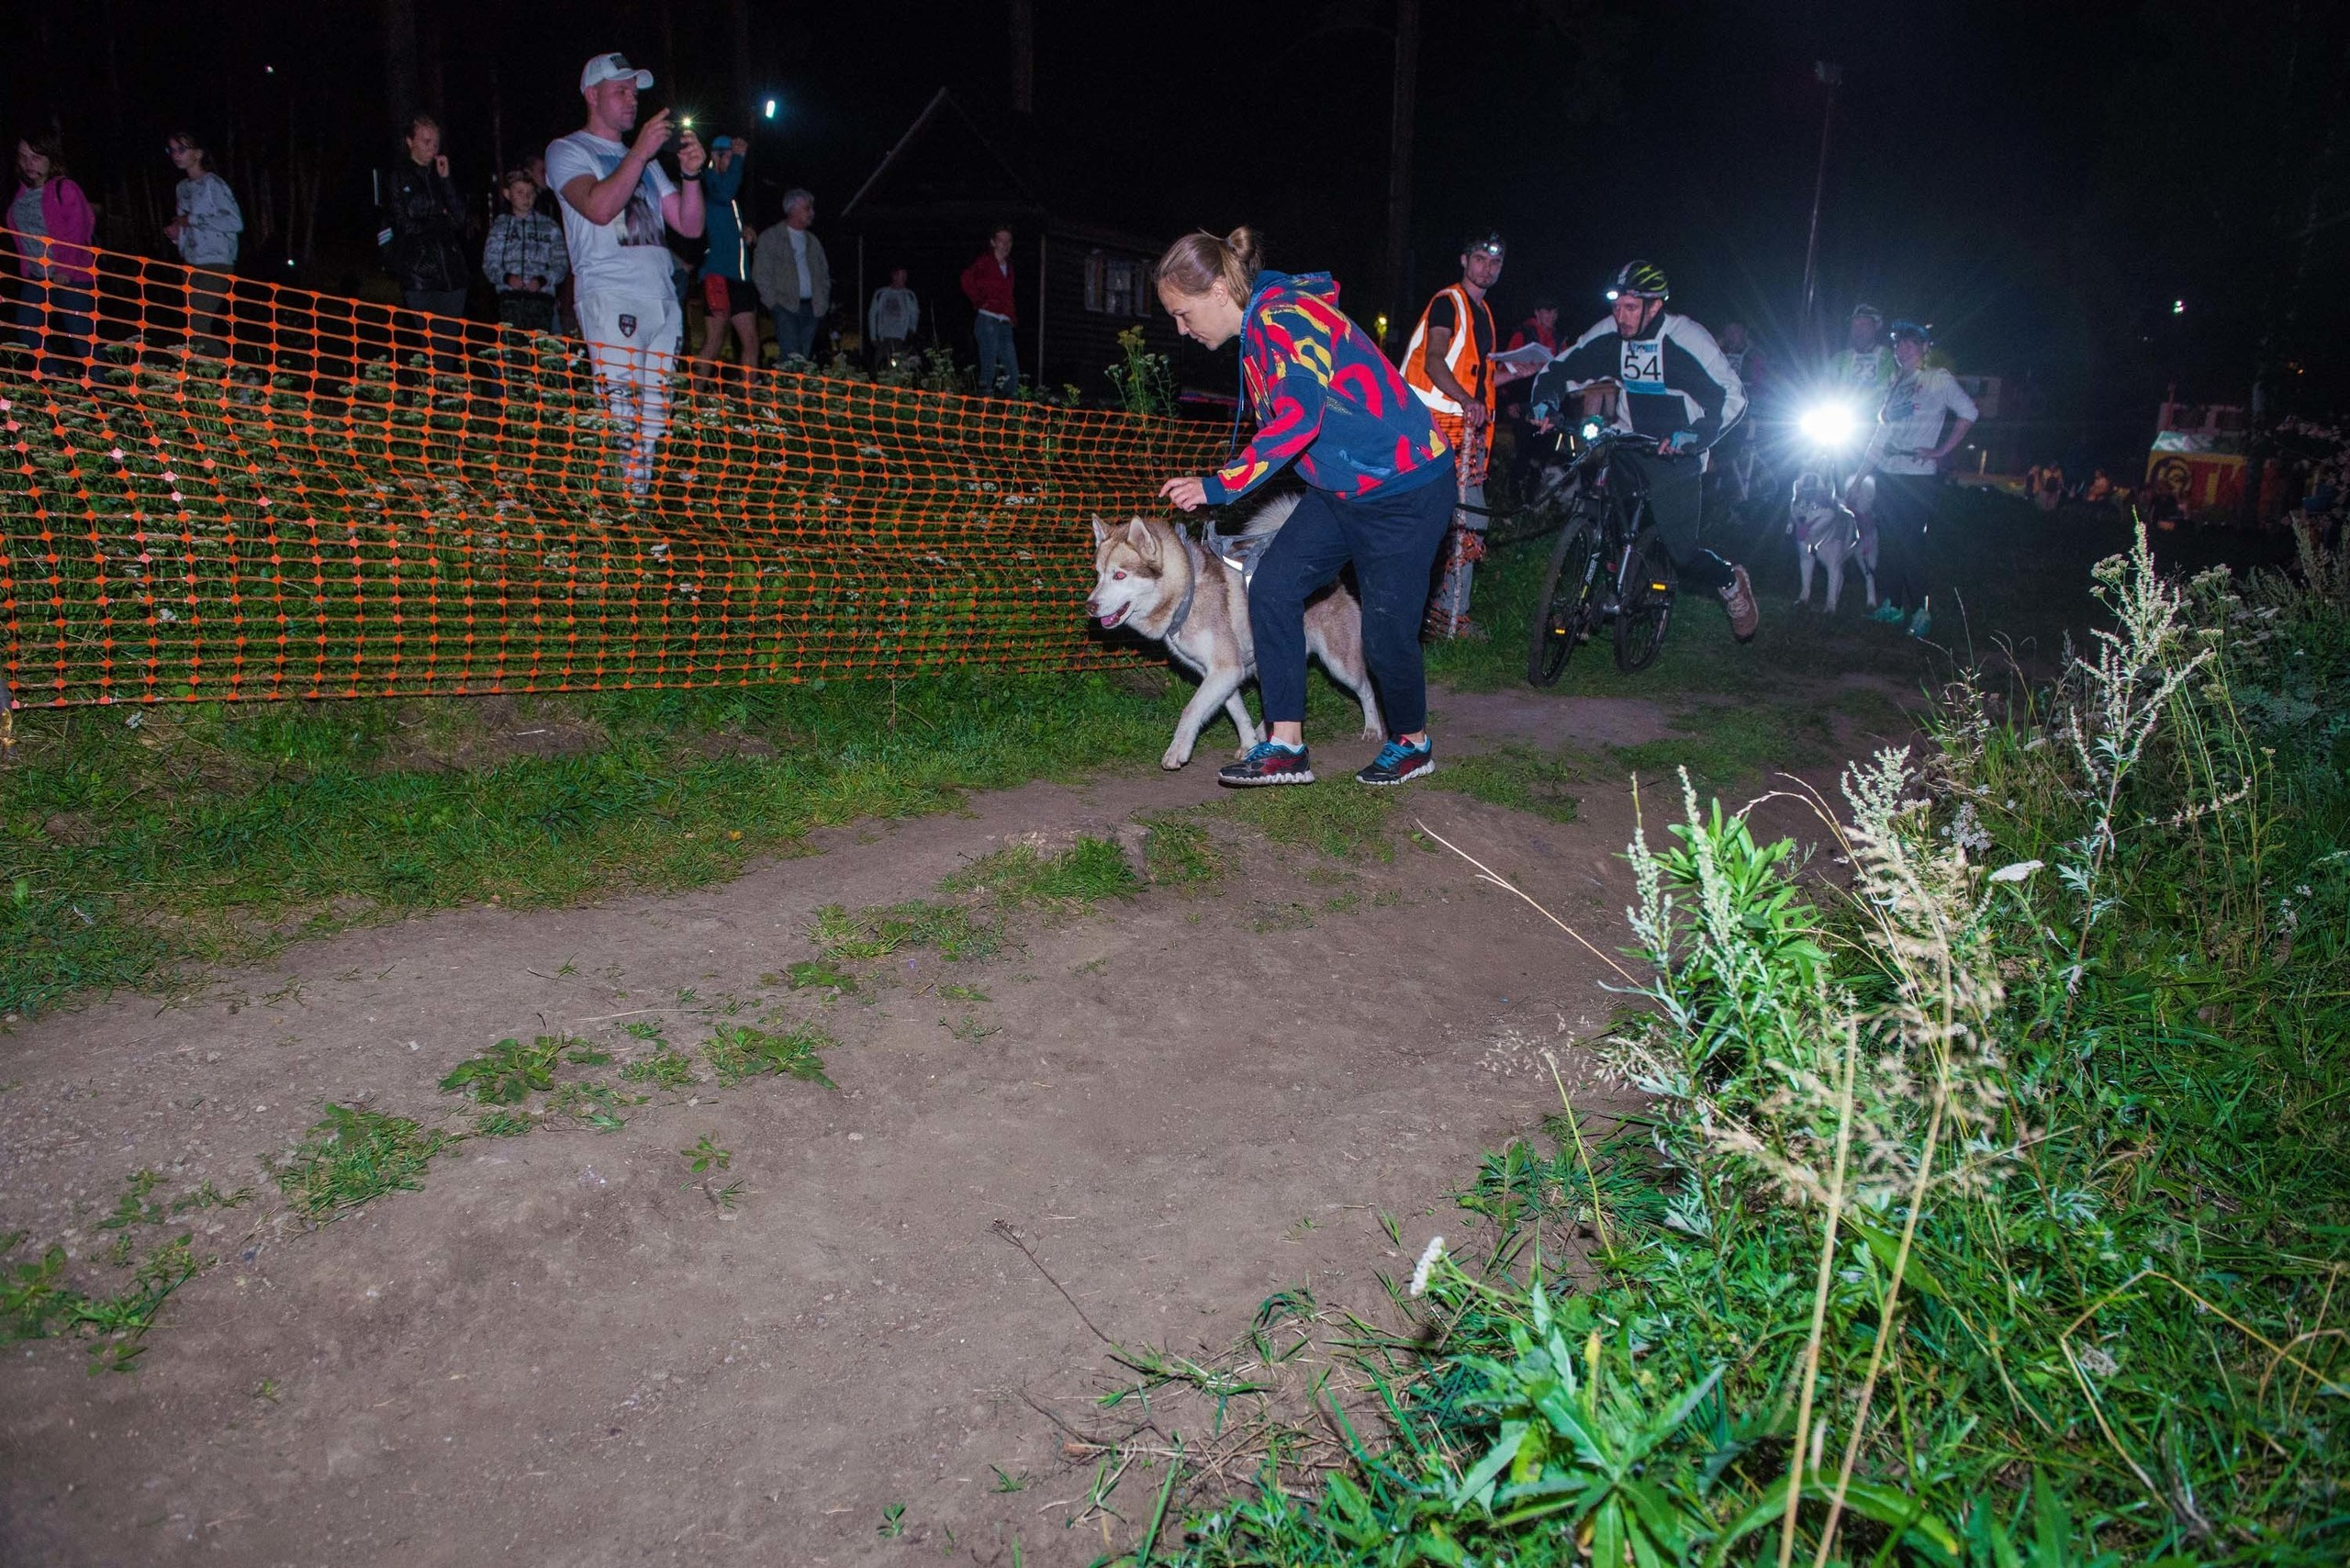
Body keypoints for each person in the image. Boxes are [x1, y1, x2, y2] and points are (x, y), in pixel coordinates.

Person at [1153, 226, 1455, 790]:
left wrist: (1219, 486)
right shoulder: (1258, 327)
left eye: (1183, 312)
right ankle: (1286, 744)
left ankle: (1412, 743)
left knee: (1386, 632)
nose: (1181, 327)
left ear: (1219, 290)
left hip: (1405, 489)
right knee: (1272, 587)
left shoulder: (1284, 319)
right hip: (1342, 489)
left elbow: (1298, 420)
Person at [1528, 260, 1758, 640]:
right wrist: (1545, 403)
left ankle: (1730, 581)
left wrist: (1694, 436)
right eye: (1617, 307)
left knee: (1681, 553)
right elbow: (1563, 367)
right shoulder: (1612, 335)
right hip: (1627, 440)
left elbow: (1732, 397)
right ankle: (1594, 593)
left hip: (1676, 454)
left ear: (1655, 307)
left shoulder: (1685, 338)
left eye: (1631, 308)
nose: (1621, 316)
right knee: (1600, 509)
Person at [545, 50, 707, 497]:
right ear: (592, 95)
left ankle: (634, 521)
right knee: (622, 418)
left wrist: (693, 175)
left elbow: (690, 226)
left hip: (662, 301)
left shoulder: (650, 162)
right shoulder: (567, 150)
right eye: (621, 91)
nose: (632, 100)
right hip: (610, 295)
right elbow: (597, 207)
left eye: (634, 92)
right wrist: (637, 152)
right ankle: (614, 524)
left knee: (654, 422)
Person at [1404, 231, 1531, 639]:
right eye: (1480, 259)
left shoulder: (1484, 314)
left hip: (1463, 439)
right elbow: (1436, 362)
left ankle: (1440, 615)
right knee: (1463, 522)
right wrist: (1466, 402)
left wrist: (1523, 371)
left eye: (1495, 263)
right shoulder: (1448, 303)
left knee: (1457, 524)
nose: (1487, 268)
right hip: (1435, 432)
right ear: (1464, 260)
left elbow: (1480, 377)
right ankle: (1448, 617)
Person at [1852, 320, 1976, 638]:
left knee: (1912, 544)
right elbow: (1879, 437)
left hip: (1918, 475)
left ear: (1924, 348)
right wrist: (1859, 478)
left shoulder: (1937, 379)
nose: (1903, 348)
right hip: (1890, 474)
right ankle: (1892, 605)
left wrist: (1941, 451)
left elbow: (1969, 413)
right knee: (1891, 543)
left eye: (1910, 343)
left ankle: (1922, 611)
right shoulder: (1893, 385)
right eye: (1898, 344)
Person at [380, 113, 474, 371]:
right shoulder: (398, 177)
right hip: (419, 273)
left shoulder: (440, 175)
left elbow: (460, 219)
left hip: (453, 273)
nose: (432, 148)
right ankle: (432, 400)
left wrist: (446, 182)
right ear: (410, 141)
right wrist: (437, 216)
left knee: (448, 347)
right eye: (426, 141)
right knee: (430, 345)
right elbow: (403, 223)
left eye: (435, 143)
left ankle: (446, 401)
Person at [4, 132, 97, 375]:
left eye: (35, 157)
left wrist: (65, 270)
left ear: (50, 159)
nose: (28, 163)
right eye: (23, 157)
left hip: (73, 277)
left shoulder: (64, 188)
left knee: (82, 340)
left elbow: (80, 228)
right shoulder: (22, 194)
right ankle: (57, 383)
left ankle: (107, 394)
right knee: (28, 333)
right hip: (37, 277)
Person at [163, 131, 241, 357]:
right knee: (193, 331)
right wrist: (177, 233)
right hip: (190, 263)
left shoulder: (213, 184)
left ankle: (240, 378)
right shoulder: (182, 187)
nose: (176, 155)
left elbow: (235, 221)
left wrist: (192, 220)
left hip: (216, 263)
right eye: (172, 150)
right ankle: (208, 382)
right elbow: (187, 224)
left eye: (182, 149)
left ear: (197, 154)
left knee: (199, 328)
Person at [693, 134, 757, 380]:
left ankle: (748, 406)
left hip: (740, 277)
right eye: (729, 156)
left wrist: (745, 232)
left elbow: (724, 224)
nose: (734, 162)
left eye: (735, 156)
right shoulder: (710, 182)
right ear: (716, 156)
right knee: (714, 341)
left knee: (751, 340)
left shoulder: (728, 193)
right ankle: (692, 400)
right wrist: (740, 159)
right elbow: (726, 190)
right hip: (717, 275)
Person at [483, 168, 567, 332]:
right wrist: (506, 278)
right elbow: (489, 263)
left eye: (530, 193)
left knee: (542, 351)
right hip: (509, 300)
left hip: (542, 300)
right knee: (514, 351)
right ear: (508, 194)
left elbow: (561, 264)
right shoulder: (500, 226)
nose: (526, 198)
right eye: (520, 192)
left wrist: (543, 280)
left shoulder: (550, 227)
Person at [753, 188, 829, 364]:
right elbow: (760, 272)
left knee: (804, 356)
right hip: (785, 307)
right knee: (791, 356)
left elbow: (823, 273)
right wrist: (772, 302)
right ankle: (789, 390)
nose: (812, 213)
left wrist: (822, 302)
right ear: (792, 209)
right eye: (807, 208)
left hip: (812, 308)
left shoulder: (813, 241)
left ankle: (798, 390)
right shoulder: (772, 237)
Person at [959, 224, 1017, 394]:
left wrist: (1011, 317)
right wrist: (978, 300)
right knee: (988, 369)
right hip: (988, 320)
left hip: (1005, 323)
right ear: (993, 242)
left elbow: (1007, 295)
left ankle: (1010, 414)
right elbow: (966, 279)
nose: (1005, 245)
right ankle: (983, 412)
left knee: (1012, 373)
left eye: (1008, 241)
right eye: (1001, 240)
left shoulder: (1009, 267)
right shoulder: (985, 262)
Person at [867, 265, 920, 370]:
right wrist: (873, 337)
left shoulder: (909, 295)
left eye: (905, 275)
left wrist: (911, 332)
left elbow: (915, 314)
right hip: (884, 338)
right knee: (879, 366)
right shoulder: (881, 293)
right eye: (901, 275)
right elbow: (872, 315)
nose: (904, 278)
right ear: (894, 276)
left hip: (900, 339)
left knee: (900, 368)